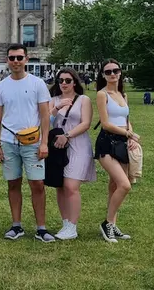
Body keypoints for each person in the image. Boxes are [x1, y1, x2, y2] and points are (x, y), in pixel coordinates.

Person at [0, 44, 54, 242]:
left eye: (19, 57)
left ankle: (41, 228)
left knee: (37, 184)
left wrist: (44, 143)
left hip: (33, 142)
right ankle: (16, 225)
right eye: (12, 58)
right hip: (8, 142)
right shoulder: (1, 86)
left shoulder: (38, 84)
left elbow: (45, 115)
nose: (16, 61)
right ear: (7, 60)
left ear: (26, 59)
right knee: (13, 183)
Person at [95, 59, 141, 242]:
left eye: (115, 70)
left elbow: (127, 120)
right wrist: (127, 133)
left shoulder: (123, 95)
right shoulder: (102, 94)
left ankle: (112, 224)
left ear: (120, 72)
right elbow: (105, 124)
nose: (112, 74)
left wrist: (130, 136)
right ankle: (107, 224)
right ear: (103, 75)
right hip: (107, 143)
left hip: (122, 143)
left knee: (114, 186)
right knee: (124, 185)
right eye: (108, 72)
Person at [48, 68, 95, 240]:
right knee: (60, 186)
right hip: (58, 147)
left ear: (75, 82)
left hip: (78, 145)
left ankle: (73, 226)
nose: (64, 84)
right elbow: (46, 121)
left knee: (71, 186)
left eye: (68, 80)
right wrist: (57, 108)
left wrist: (67, 135)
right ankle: (66, 223)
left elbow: (86, 123)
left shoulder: (83, 100)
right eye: (61, 80)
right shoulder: (53, 100)